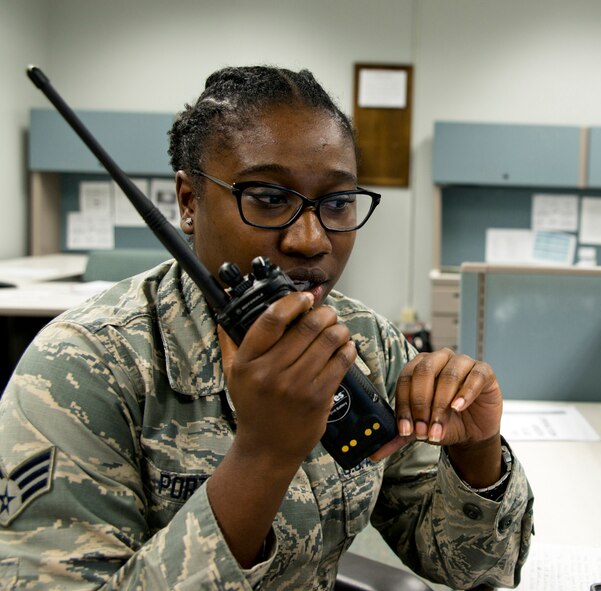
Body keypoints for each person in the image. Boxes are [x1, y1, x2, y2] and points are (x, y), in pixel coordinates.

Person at [0, 65, 533, 589]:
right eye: (270, 199)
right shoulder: (82, 369)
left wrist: (476, 452)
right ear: (189, 201)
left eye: (338, 202)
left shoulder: (365, 343)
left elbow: (476, 569)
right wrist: (264, 455)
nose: (311, 240)